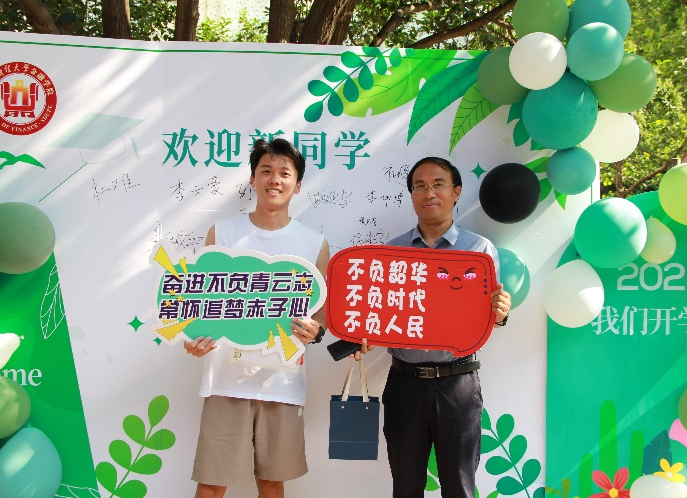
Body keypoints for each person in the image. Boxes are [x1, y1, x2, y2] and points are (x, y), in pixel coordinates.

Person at [356, 156, 511, 498]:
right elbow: (378, 313)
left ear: (456, 192)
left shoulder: (479, 250)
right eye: (420, 186)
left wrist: (499, 313)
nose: (429, 193)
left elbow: (487, 315)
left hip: (458, 384)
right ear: (412, 195)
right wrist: (363, 334)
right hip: (404, 384)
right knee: (406, 487)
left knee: (459, 487)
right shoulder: (391, 253)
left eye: (438, 184)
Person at [184, 138, 330, 498]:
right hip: (226, 379)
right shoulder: (222, 232)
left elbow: (320, 317)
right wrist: (193, 339)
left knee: (271, 483)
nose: (274, 179)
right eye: (266, 170)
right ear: (252, 179)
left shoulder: (315, 244)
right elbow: (201, 303)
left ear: (297, 185)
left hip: (282, 381)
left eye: (284, 173)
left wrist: (315, 331)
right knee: (211, 484)